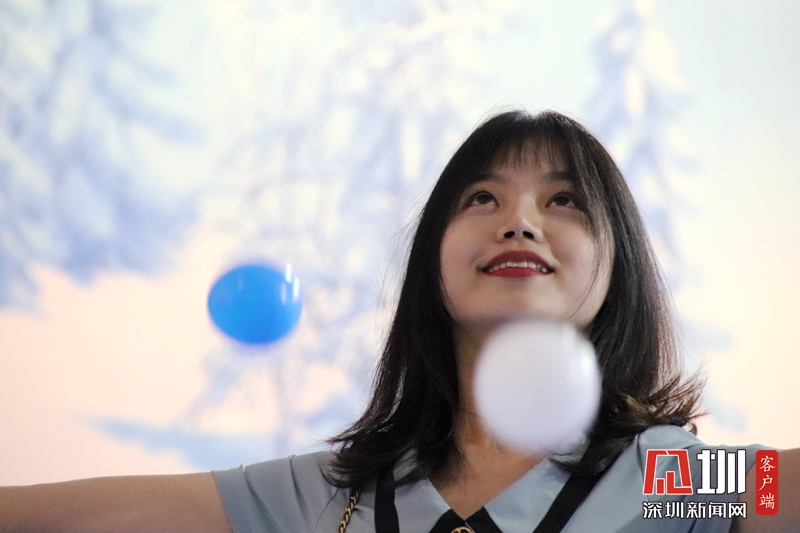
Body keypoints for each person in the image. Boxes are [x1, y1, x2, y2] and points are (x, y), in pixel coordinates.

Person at [0, 110, 797, 533]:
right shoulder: (333, 491)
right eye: (481, 196)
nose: (518, 220)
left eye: (564, 200)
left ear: (617, 265)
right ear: (432, 264)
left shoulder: (669, 481)